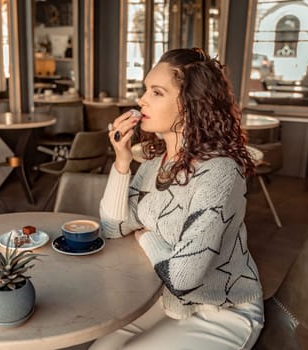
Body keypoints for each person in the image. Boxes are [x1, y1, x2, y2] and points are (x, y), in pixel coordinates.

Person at [91, 48, 264, 350]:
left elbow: (184, 277)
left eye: (156, 92)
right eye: (145, 90)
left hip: (221, 310)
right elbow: (111, 227)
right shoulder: (153, 163)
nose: (142, 100)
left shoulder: (219, 172)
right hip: (169, 299)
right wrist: (121, 163)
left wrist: (146, 237)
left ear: (190, 105)